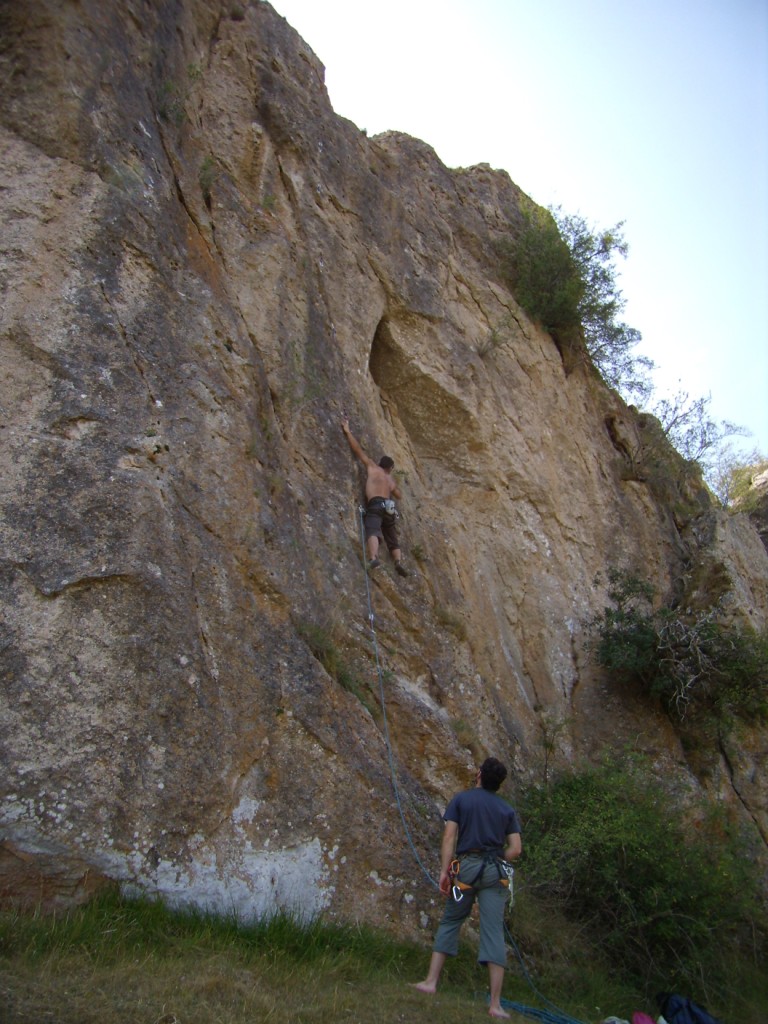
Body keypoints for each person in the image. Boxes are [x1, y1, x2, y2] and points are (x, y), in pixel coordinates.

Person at [413, 758, 522, 1019]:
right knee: (494, 930)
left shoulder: (462, 800)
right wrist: (497, 857)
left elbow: (449, 837)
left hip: (467, 868)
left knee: (451, 919)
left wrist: (445, 871)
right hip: (495, 872)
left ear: (479, 775)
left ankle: (430, 982)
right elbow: (516, 849)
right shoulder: (506, 810)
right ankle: (495, 1004)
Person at [341, 416, 411, 576]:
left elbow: (358, 450)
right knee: (391, 536)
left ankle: (373, 558)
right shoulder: (390, 479)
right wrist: (394, 484)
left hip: (375, 504)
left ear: (381, 464)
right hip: (389, 507)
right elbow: (398, 495)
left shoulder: (373, 467)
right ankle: (398, 561)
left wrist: (347, 431)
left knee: (373, 529)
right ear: (390, 468)